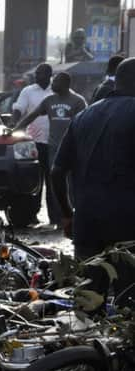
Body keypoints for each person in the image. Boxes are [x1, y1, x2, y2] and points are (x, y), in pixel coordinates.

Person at [52, 58, 135, 259]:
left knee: (88, 287)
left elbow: (57, 171)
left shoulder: (84, 115)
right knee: (126, 288)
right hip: (128, 226)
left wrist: (67, 214)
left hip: (87, 223)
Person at [13, 72, 87, 227]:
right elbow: (31, 116)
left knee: (73, 183)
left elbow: (85, 123)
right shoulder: (49, 100)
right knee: (55, 183)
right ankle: (57, 219)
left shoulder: (78, 101)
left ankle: (76, 216)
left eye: (56, 82)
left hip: (73, 148)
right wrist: (15, 129)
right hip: (53, 148)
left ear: (65, 83)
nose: (52, 85)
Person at [11, 63, 53, 224]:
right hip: (32, 142)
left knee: (53, 181)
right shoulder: (28, 91)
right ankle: (32, 214)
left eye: (40, 73)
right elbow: (19, 109)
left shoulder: (56, 90)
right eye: (36, 73)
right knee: (35, 181)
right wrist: (14, 123)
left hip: (53, 142)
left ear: (49, 75)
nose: (37, 76)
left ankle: (55, 217)